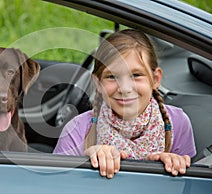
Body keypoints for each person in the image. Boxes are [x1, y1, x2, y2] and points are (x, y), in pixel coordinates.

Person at [53, 29, 196, 179]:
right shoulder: (77, 130)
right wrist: (85, 162)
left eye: (136, 75)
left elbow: (190, 187)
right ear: (98, 83)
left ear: (155, 79)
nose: (125, 88)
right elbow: (57, 185)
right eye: (112, 76)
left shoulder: (178, 123)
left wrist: (176, 164)